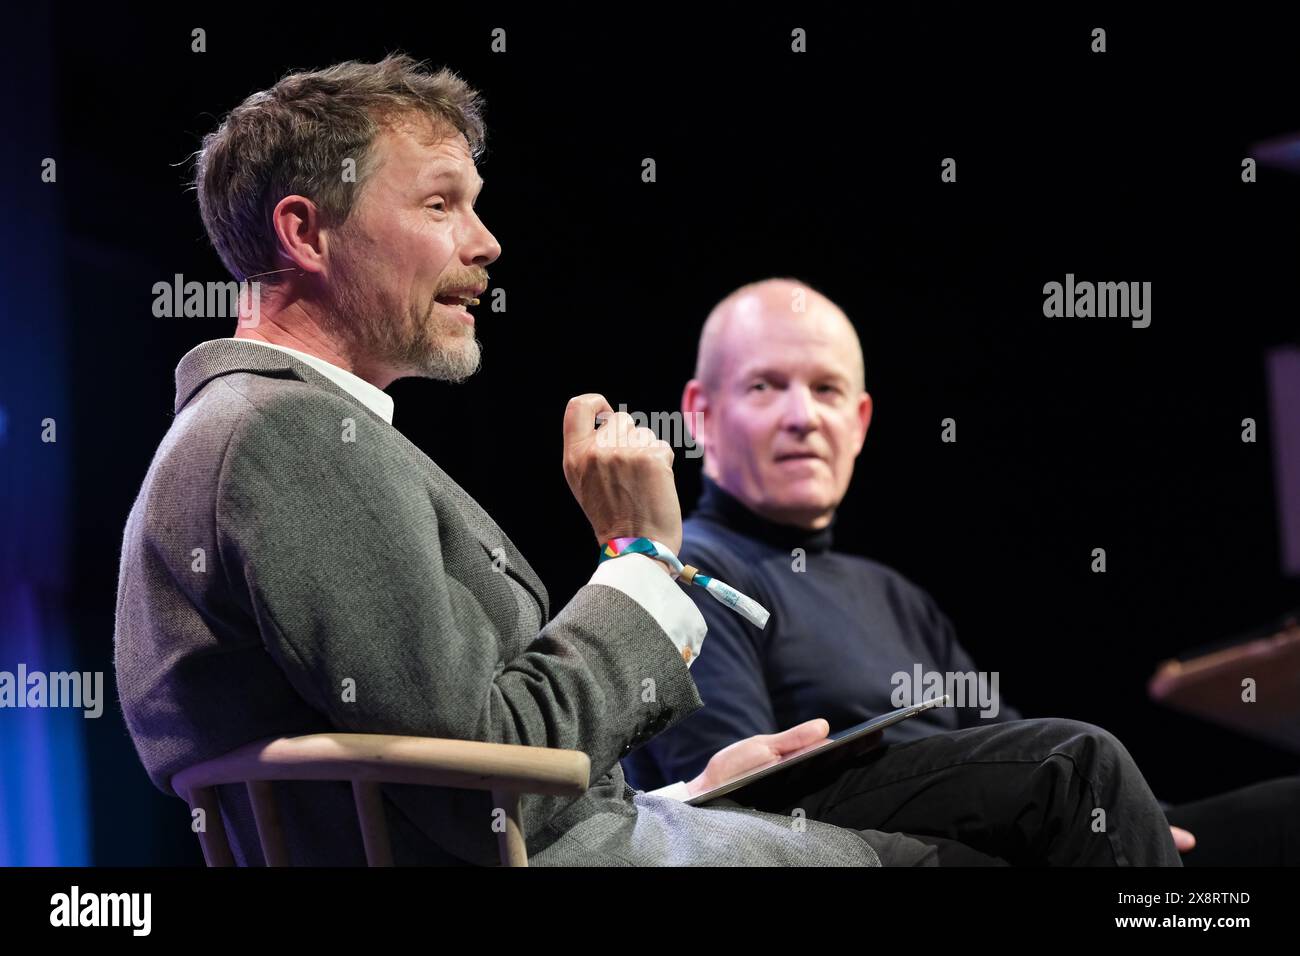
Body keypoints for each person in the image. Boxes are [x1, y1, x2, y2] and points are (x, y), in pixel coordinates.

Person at [114, 56, 1180, 867]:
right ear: (307, 231)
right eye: (441, 204)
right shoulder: (285, 434)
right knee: (1040, 797)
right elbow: (478, 774)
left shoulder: (277, 429)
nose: (486, 243)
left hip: (591, 837)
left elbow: (463, 758)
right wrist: (640, 556)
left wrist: (679, 799)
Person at [622, 277, 1299, 865]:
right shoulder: (693, 574)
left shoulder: (893, 594)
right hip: (886, 849)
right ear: (700, 415)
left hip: (1023, 827)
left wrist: (1128, 811)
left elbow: (1005, 743)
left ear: (859, 422)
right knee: (1080, 766)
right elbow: (733, 811)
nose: (803, 417)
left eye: (826, 389)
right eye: (766, 386)